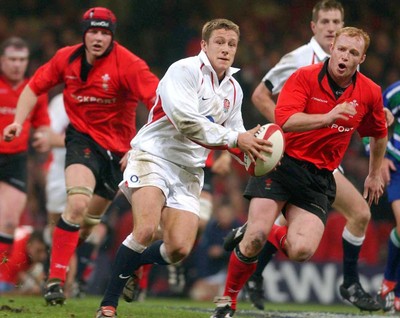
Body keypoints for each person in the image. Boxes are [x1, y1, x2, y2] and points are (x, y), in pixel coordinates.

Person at [95, 18, 273, 318]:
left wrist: (255, 153)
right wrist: (237, 139)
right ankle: (107, 307)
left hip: (189, 170)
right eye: (219, 42)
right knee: (147, 228)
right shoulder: (183, 71)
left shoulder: (233, 88)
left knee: (178, 249)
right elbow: (187, 122)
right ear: (204, 45)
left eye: (231, 44)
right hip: (155, 155)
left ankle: (134, 263)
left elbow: (237, 133)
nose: (226, 49)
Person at [211, 26, 388, 318]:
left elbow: (378, 133)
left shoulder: (369, 92)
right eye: (341, 49)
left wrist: (374, 172)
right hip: (280, 164)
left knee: (301, 250)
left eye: (353, 53)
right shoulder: (304, 76)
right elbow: (286, 119)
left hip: (319, 178)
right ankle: (226, 302)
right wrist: (328, 117)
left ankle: (268, 230)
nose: (345, 56)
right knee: (255, 237)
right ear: (332, 48)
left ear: (362, 59)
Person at [3, 7, 159, 306]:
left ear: (112, 36)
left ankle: (68, 261)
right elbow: (33, 88)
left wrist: (141, 147)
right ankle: (55, 281)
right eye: (93, 31)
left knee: (87, 227)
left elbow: (158, 103)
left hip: (119, 151)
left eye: (104, 32)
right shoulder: (66, 58)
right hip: (81, 140)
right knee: (75, 203)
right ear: (84, 33)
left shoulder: (130, 64)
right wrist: (18, 122)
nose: (98, 37)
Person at [0, 36, 49, 264]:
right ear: (2, 60)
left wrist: (42, 138)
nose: (17, 64)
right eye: (12, 59)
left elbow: (43, 125)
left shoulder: (34, 91)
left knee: (9, 223)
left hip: (16, 161)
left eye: (22, 59)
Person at [374, 80, 400, 313]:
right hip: (398, 167)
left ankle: (390, 287)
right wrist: (380, 159)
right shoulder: (395, 92)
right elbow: (370, 123)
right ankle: (392, 285)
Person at [0, 226, 47, 294]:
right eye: (38, 251)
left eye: (44, 251)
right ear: (29, 246)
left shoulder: (29, 238)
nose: (43, 256)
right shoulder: (18, 256)